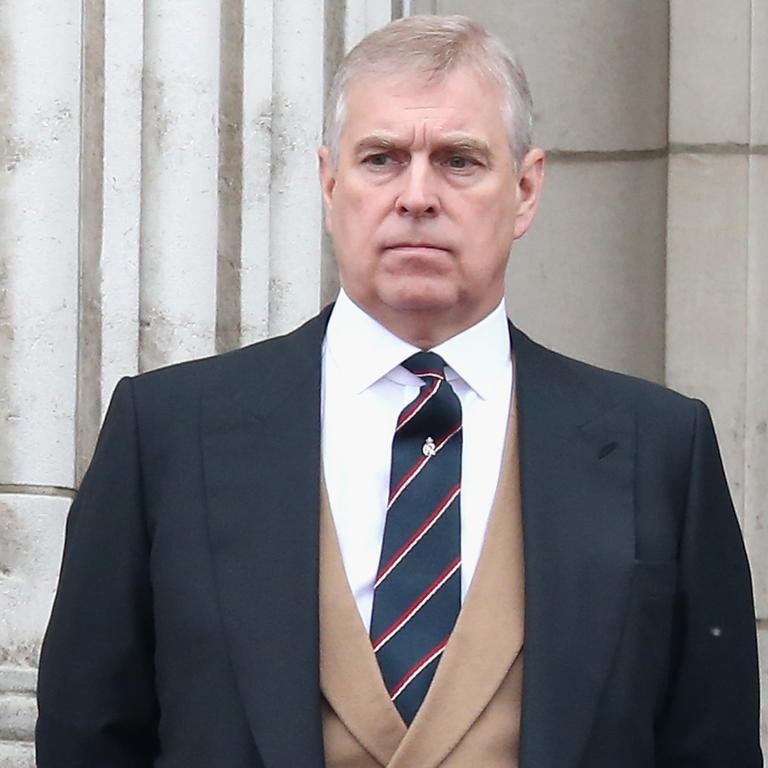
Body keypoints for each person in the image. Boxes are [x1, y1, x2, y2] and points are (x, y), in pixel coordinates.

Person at [35, 14, 762, 768]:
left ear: (525, 189)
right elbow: (88, 737)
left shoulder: (660, 451)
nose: (417, 196)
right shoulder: (166, 436)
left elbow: (715, 746)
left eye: (459, 161)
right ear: (328, 182)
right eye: (381, 158)